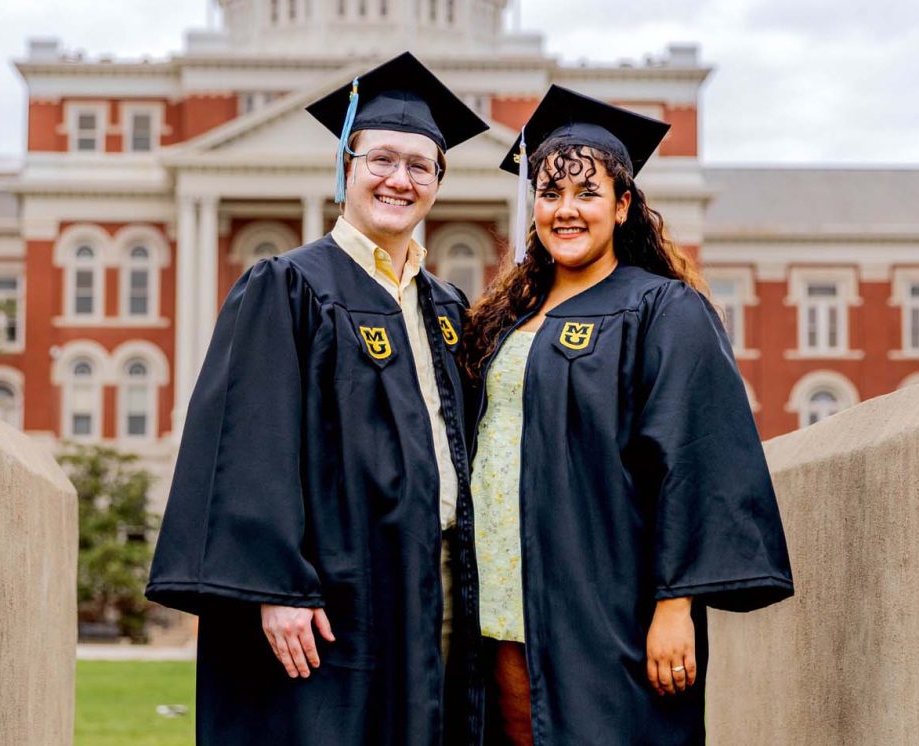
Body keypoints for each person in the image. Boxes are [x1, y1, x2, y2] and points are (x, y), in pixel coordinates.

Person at [146, 52, 490, 745]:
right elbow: (249, 439)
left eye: (420, 166)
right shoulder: (288, 286)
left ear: (438, 182)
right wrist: (277, 585)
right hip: (333, 585)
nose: (400, 179)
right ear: (347, 167)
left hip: (437, 578)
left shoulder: (447, 306)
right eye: (381, 160)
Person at [460, 85, 794, 745]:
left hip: (606, 595)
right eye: (551, 194)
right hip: (503, 594)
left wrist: (675, 605)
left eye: (587, 193)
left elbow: (695, 458)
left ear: (623, 205)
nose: (566, 210)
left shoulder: (663, 309)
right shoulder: (508, 321)